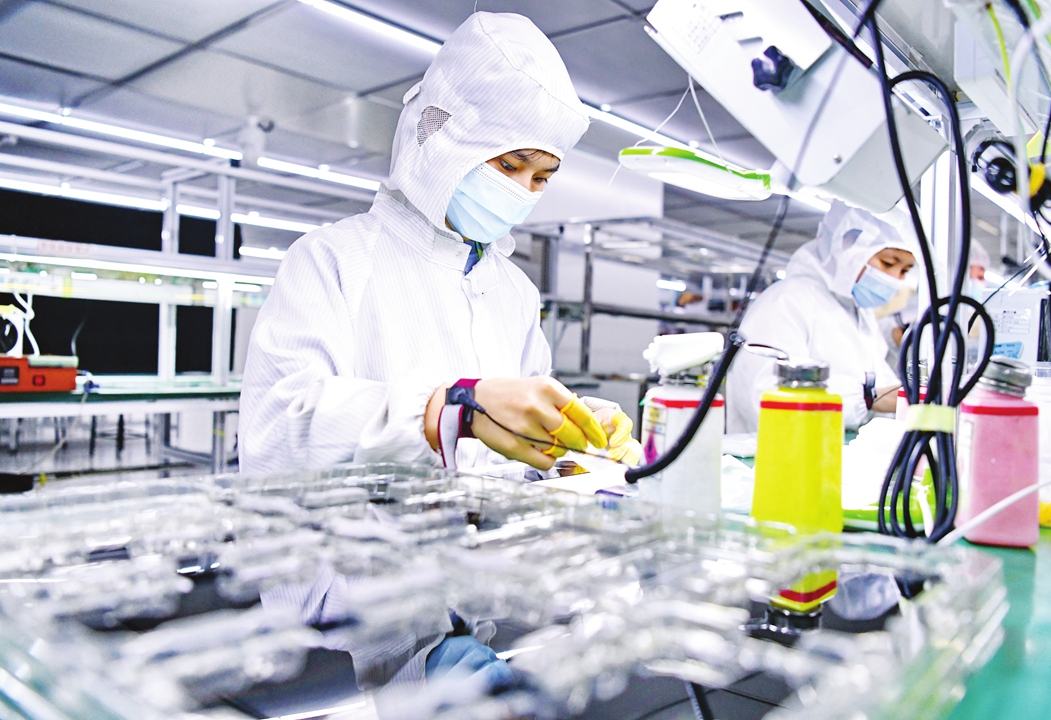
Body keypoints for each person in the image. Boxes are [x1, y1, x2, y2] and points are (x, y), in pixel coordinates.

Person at [239, 12, 640, 478]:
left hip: (487, 547)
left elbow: (516, 447)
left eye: (541, 178)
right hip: (363, 542)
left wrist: (571, 441)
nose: (523, 191)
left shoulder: (515, 291)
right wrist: (444, 410)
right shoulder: (331, 259)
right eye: (510, 166)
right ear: (444, 137)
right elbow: (275, 432)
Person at [727, 201, 918, 432]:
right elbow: (765, 398)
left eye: (905, 270)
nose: (895, 278)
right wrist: (867, 398)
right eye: (888, 263)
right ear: (846, 244)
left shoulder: (861, 315)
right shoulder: (786, 301)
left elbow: (883, 386)